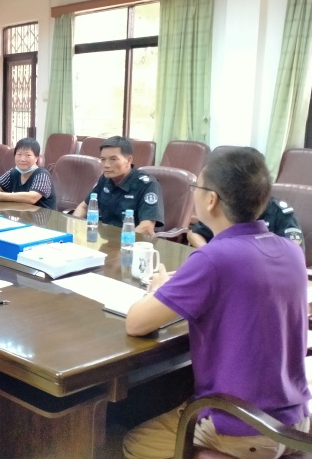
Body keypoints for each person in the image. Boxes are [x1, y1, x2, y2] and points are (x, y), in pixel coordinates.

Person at [123, 147, 311, 459]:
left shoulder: (214, 258)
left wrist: (156, 289)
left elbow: (136, 323)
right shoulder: (291, 251)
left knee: (130, 440)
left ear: (211, 199)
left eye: (196, 186)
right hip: (295, 422)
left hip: (242, 426)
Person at [73, 136, 163, 236]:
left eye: (113, 159)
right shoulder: (105, 179)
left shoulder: (147, 185)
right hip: (106, 238)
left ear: (128, 160)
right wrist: (73, 228)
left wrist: (120, 241)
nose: (106, 165)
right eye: (103, 159)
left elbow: (146, 227)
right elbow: (83, 207)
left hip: (131, 241)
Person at [188, 196, 305, 250]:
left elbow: (293, 248)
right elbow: (194, 233)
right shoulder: (228, 205)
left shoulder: (279, 211)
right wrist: (208, 252)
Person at [0, 137, 56, 209]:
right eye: (19, 154)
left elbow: (32, 198)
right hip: (21, 215)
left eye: (28, 155)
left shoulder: (42, 175)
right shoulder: (14, 172)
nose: (22, 159)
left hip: (43, 218)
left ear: (36, 158)